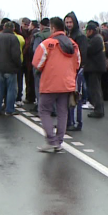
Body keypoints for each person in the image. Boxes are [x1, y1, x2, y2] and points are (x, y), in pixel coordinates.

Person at [32, 16, 80, 153]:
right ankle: (59, 141)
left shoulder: (47, 44)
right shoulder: (73, 44)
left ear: (53, 28)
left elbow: (37, 63)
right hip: (67, 83)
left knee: (44, 110)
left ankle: (51, 141)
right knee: (62, 112)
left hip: (50, 83)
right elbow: (78, 63)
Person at [0, 21, 22, 116]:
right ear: (13, 29)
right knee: (11, 90)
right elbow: (16, 55)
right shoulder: (14, 38)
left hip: (0, 67)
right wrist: (19, 65)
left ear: (4, 27)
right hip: (11, 68)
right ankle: (9, 109)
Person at [64, 12, 88, 131]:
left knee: (76, 96)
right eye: (67, 22)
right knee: (69, 96)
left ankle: (77, 122)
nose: (68, 24)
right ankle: (69, 121)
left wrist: (78, 67)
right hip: (68, 69)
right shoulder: (67, 35)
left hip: (77, 69)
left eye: (70, 22)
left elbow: (82, 53)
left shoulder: (80, 36)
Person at [83, 21, 107, 118]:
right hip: (95, 67)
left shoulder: (96, 39)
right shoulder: (97, 38)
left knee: (95, 89)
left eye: (87, 31)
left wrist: (84, 43)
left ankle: (98, 110)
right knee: (95, 89)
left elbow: (88, 50)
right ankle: (97, 107)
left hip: (95, 68)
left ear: (91, 31)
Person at [20, 17, 35, 106]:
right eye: (25, 24)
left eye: (28, 25)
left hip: (28, 60)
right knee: (20, 79)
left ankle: (29, 96)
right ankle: (21, 95)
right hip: (21, 58)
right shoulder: (20, 32)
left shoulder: (30, 33)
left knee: (29, 79)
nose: (26, 26)